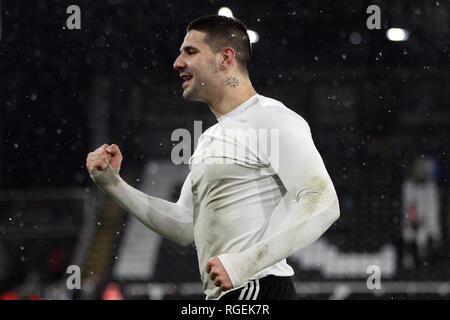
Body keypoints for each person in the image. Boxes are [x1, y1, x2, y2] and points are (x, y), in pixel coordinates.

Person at [86, 15, 340, 300]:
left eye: (190, 52)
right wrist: (113, 185)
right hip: (234, 293)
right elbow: (184, 224)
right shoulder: (208, 139)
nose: (177, 63)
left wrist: (244, 264)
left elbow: (323, 202)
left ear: (225, 58)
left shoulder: (271, 118)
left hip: (256, 289)